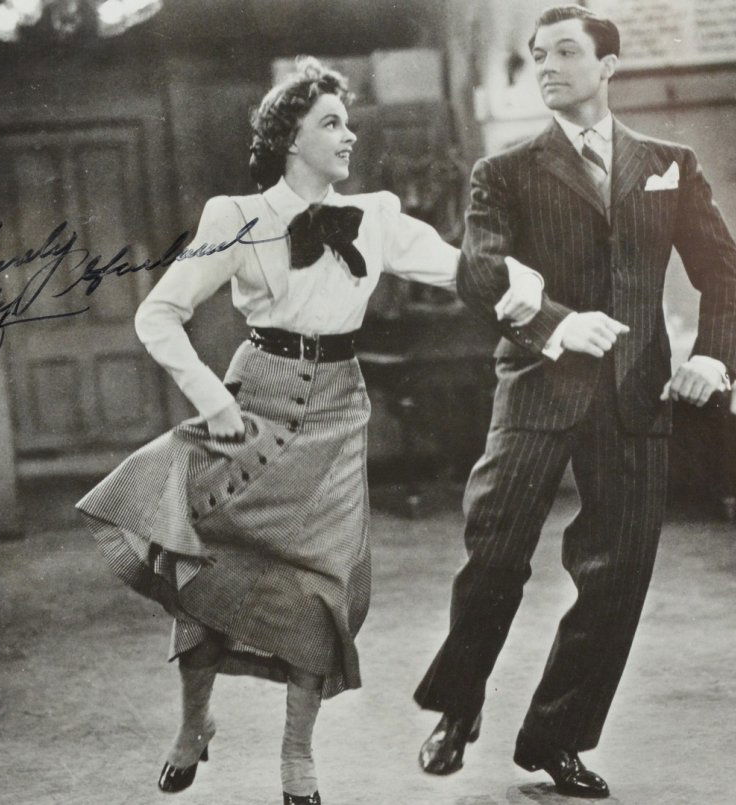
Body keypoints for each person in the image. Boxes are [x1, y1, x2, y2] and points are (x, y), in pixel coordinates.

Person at [75, 57, 544, 804]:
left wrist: (529, 287)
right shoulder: (236, 216)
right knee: (207, 569)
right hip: (250, 405)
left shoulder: (378, 216)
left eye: (348, 121)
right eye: (332, 122)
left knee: (321, 589)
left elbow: (461, 268)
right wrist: (213, 400)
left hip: (336, 413)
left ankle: (297, 758)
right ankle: (193, 727)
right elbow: (154, 313)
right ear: (291, 138)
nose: (349, 134)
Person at [414, 5, 736, 798]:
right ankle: (458, 706)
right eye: (538, 55)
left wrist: (710, 355)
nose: (550, 64)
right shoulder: (504, 171)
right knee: (495, 556)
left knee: (619, 575)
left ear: (608, 66)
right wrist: (561, 324)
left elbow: (722, 272)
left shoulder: (670, 162)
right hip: (536, 388)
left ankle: (556, 738)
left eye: (567, 51)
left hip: (636, 398)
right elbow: (478, 272)